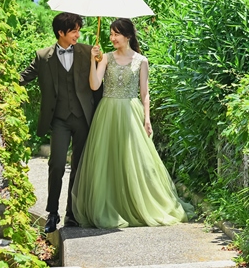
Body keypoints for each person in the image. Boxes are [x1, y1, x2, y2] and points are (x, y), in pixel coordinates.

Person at [70, 18, 188, 228]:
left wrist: (147, 119)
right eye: (111, 34)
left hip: (131, 112)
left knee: (136, 160)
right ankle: (110, 207)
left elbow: (145, 93)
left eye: (116, 34)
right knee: (107, 162)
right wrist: (92, 60)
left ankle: (138, 205)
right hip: (107, 112)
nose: (112, 38)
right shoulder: (105, 57)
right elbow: (95, 85)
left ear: (128, 36)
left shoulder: (141, 60)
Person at [20, 12, 94, 234]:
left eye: (79, 30)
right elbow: (24, 77)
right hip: (59, 119)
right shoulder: (43, 56)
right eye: (74, 30)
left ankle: (72, 214)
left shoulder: (88, 52)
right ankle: (53, 213)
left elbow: (98, 84)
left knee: (79, 168)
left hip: (83, 118)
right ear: (61, 32)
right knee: (57, 164)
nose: (78, 34)